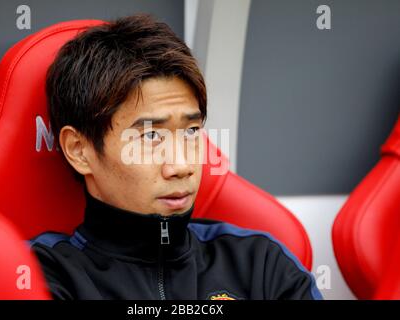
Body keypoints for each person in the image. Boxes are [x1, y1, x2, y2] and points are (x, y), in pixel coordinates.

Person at [30, 14, 322, 300]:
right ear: (80, 150)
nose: (181, 166)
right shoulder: (40, 276)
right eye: (151, 136)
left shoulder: (260, 266)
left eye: (191, 132)